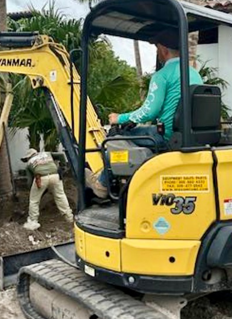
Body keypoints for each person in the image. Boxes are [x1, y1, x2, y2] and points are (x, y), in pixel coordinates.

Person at [87, 29, 202, 197]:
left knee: (114, 137)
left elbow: (150, 111)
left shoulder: (162, 75)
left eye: (157, 49)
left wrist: (120, 118)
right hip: (191, 137)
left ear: (163, 50)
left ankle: (103, 185)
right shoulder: (194, 74)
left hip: (167, 136)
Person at [22, 148, 74, 231]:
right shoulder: (47, 153)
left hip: (41, 178)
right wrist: (63, 166)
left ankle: (33, 221)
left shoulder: (29, 164)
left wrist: (33, 191)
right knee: (60, 196)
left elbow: (29, 181)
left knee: (34, 201)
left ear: (28, 157)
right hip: (55, 175)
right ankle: (69, 217)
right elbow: (61, 155)